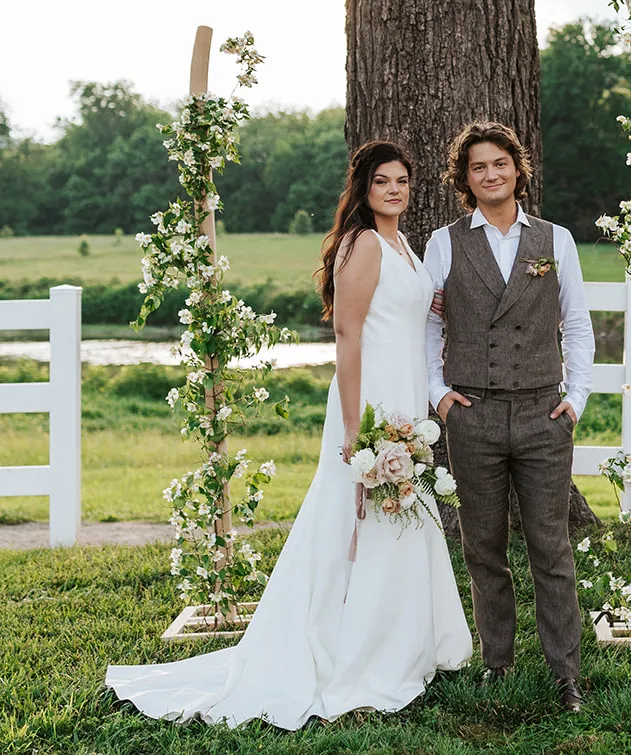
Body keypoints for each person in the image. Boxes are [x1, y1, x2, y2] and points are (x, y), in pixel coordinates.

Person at [106, 140, 472, 728]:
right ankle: (349, 649)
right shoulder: (363, 243)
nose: (395, 190)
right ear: (364, 188)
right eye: (383, 181)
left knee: (397, 513)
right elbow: (348, 335)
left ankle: (401, 642)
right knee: (357, 516)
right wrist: (354, 427)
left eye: (402, 180)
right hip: (369, 398)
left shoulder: (404, 244)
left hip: (405, 393)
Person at [423, 121, 595, 714]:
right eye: (478, 167)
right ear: (465, 178)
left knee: (551, 546)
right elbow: (428, 325)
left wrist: (577, 398)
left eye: (500, 163)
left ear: (518, 170)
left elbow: (577, 323)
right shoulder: (444, 243)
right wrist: (438, 393)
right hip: (473, 414)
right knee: (483, 546)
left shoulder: (556, 240)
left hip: (544, 412)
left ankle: (566, 675)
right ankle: (497, 664)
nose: (491, 174)